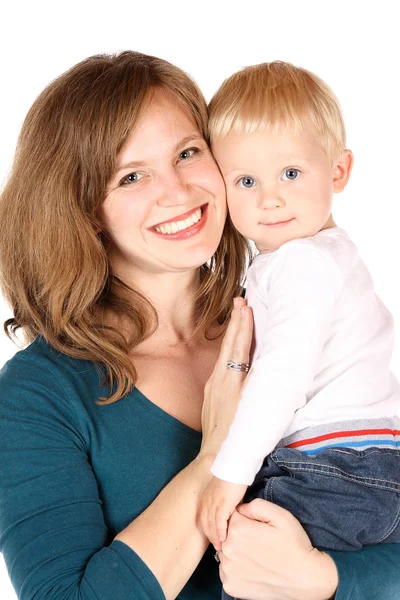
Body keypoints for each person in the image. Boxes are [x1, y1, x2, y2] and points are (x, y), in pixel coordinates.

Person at [0, 51, 399, 600]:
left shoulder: (287, 318)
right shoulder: (40, 392)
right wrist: (211, 459)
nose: (179, 191)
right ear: (86, 208)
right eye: (132, 176)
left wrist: (326, 579)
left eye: (187, 153)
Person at [199, 59, 400, 590]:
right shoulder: (325, 255)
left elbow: (281, 379)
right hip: (370, 466)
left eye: (291, 173)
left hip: (331, 467)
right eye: (246, 180)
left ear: (338, 171)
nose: (270, 198)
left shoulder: (301, 263)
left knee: (250, 571)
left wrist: (228, 475)